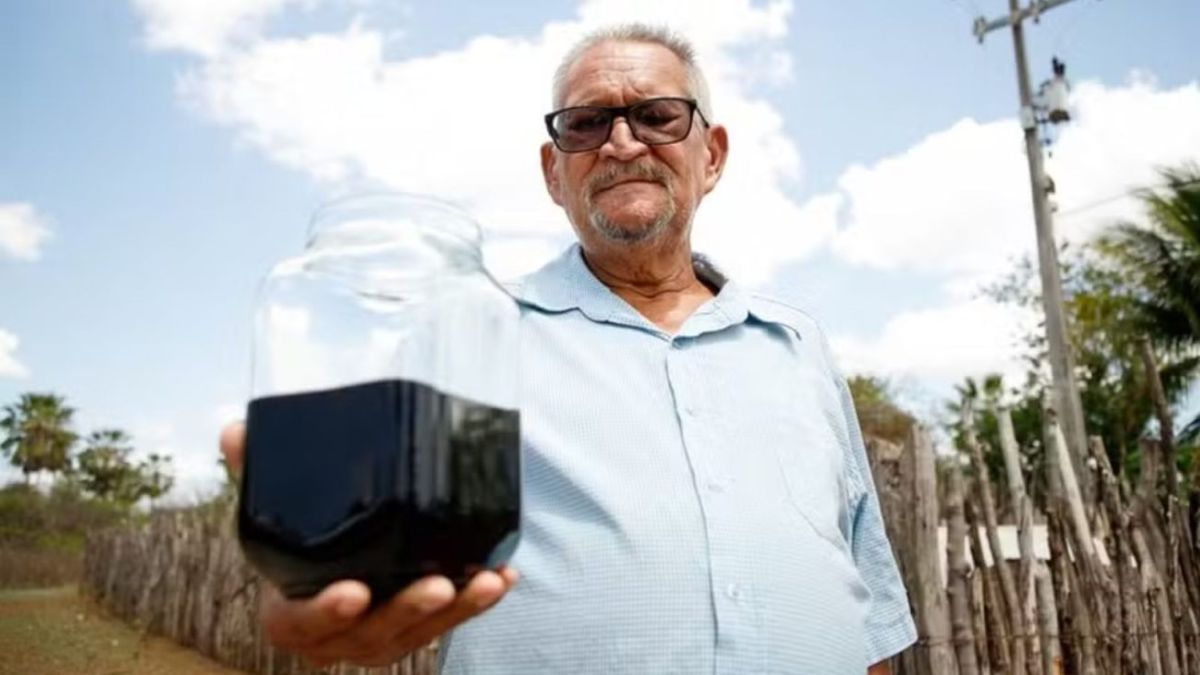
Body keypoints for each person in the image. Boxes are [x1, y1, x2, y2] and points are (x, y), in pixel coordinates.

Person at [220, 23, 917, 674]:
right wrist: (320, 579)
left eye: (657, 115)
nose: (621, 143)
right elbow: (375, 519)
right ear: (555, 173)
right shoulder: (477, 333)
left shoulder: (798, 344)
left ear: (712, 155)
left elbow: (867, 600)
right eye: (587, 124)